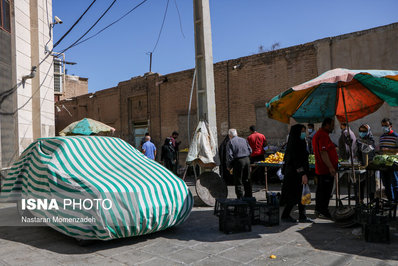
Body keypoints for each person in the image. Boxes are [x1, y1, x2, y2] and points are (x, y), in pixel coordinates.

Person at [280, 124, 313, 223]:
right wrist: (302, 174)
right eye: (302, 131)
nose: (304, 133)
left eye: (304, 131)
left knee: (301, 194)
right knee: (293, 195)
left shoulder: (300, 142)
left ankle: (302, 216)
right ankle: (285, 215)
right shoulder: (295, 143)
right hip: (294, 174)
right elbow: (296, 161)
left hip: (296, 173)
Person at [312, 118, 338, 219]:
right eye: (332, 125)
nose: (333, 127)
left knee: (321, 190)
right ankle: (323, 210)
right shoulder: (322, 135)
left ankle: (319, 209)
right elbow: (323, 152)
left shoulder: (322, 134)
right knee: (325, 192)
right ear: (326, 125)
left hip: (322, 168)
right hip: (325, 169)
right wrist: (331, 167)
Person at [226, 129, 252, 199]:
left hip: (238, 161)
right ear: (236, 134)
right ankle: (249, 197)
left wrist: (229, 166)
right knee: (247, 179)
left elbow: (230, 156)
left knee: (238, 181)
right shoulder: (244, 140)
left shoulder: (230, 142)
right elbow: (250, 150)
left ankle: (240, 198)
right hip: (247, 159)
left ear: (230, 135)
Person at [379, 118, 398, 203]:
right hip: (384, 164)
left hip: (393, 164)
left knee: (395, 184)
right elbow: (381, 150)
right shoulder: (382, 137)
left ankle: (396, 202)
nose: (384, 127)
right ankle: (391, 201)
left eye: (386, 126)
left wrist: (390, 151)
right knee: (386, 184)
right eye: (382, 126)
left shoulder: (396, 136)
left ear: (390, 126)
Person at [356, 124, 376, 201]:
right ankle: (361, 201)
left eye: (364, 131)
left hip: (370, 165)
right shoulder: (358, 141)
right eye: (360, 131)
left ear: (368, 131)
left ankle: (372, 201)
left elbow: (370, 151)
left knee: (371, 185)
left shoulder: (371, 140)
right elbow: (358, 153)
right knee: (360, 184)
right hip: (361, 165)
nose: (362, 133)